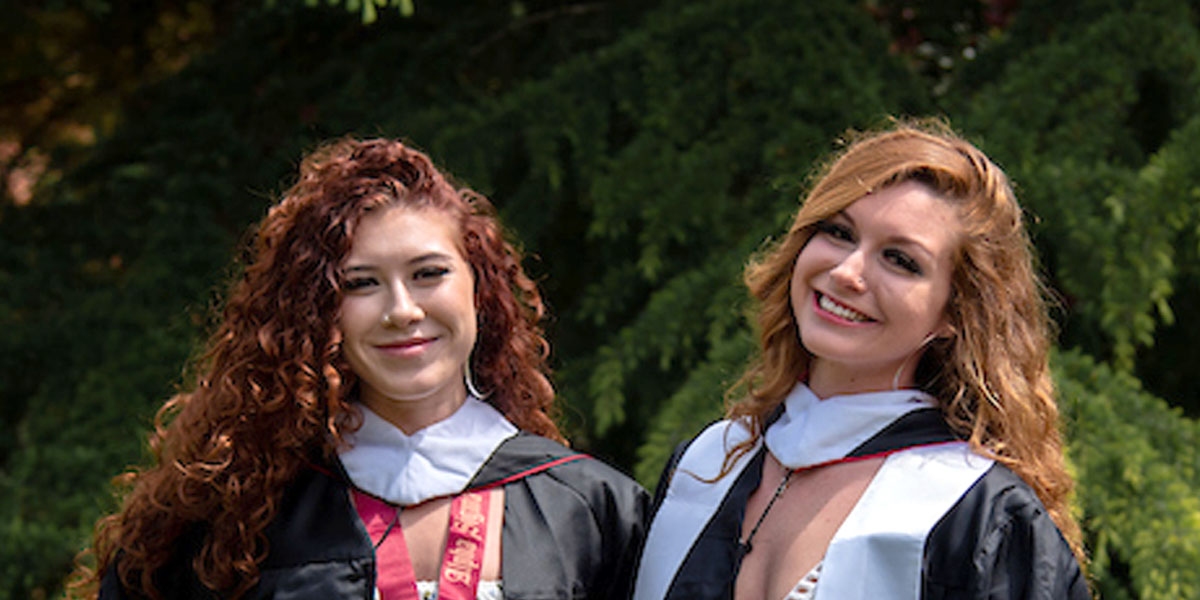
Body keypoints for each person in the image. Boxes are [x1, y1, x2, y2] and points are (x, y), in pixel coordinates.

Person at [75, 137, 648, 599]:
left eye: (429, 273)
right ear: (319, 311)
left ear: (480, 290)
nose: (403, 310)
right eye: (361, 283)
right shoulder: (232, 521)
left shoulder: (589, 509)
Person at [632, 119, 1089, 600]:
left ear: (954, 313)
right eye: (839, 232)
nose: (848, 272)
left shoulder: (976, 516)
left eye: (900, 260)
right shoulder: (707, 467)